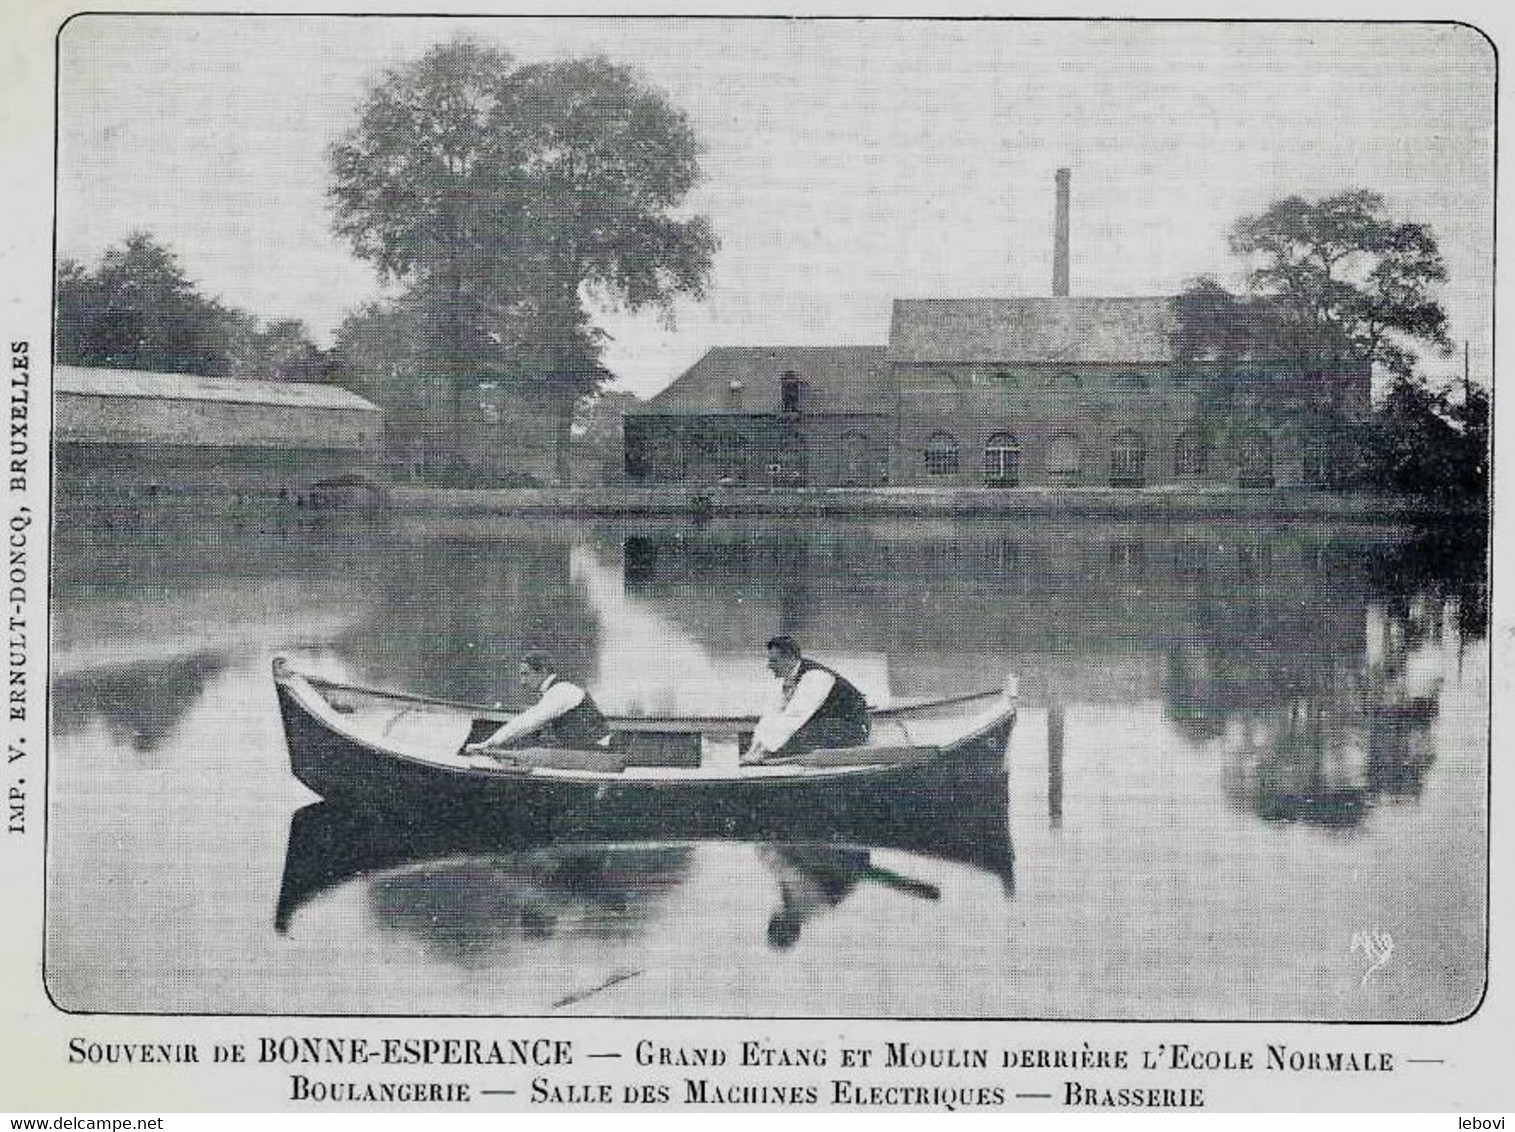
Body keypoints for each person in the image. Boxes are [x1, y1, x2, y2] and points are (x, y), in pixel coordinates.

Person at [742, 635, 871, 764]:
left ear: (790, 658)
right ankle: (761, 755)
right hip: (828, 722)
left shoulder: (816, 677)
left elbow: (795, 716)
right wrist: (753, 749)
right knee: (747, 739)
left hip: (855, 728)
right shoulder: (789, 679)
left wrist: (764, 751)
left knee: (799, 734)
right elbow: (772, 715)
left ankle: (775, 761)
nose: (769, 666)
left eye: (774, 661)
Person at [466, 650, 615, 754]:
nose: (522, 682)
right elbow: (526, 719)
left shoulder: (561, 690)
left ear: (543, 671)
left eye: (526, 674)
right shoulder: (557, 690)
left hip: (596, 753)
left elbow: (527, 723)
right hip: (587, 750)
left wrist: (489, 743)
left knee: (520, 755)